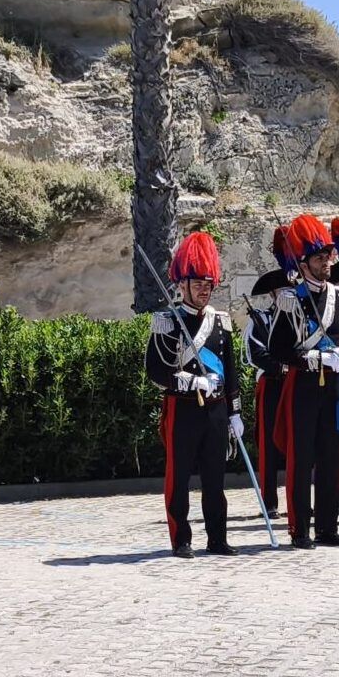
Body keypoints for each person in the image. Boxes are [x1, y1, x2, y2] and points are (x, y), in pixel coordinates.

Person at [266, 214, 339, 548]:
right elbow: (276, 349)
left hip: (332, 388)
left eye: (328, 257)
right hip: (302, 387)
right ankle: (300, 529)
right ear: (304, 263)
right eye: (320, 258)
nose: (327, 263)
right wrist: (310, 358)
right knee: (301, 459)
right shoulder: (292, 300)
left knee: (331, 458)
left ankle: (328, 527)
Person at [147, 231, 239, 557]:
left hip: (215, 410)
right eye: (198, 282)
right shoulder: (167, 321)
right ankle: (181, 539)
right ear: (182, 284)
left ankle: (217, 538)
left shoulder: (221, 322)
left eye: (209, 283)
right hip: (183, 409)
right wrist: (187, 381)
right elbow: (157, 372)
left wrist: (236, 412)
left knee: (215, 479)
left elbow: (231, 369)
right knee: (180, 477)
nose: (204, 289)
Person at [243, 235, 292, 521]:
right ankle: (270, 501)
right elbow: (255, 353)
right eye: (282, 291)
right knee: (269, 445)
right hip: (272, 385)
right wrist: (281, 368)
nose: (287, 295)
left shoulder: (299, 317)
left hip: (296, 384)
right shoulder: (259, 319)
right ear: (273, 295)